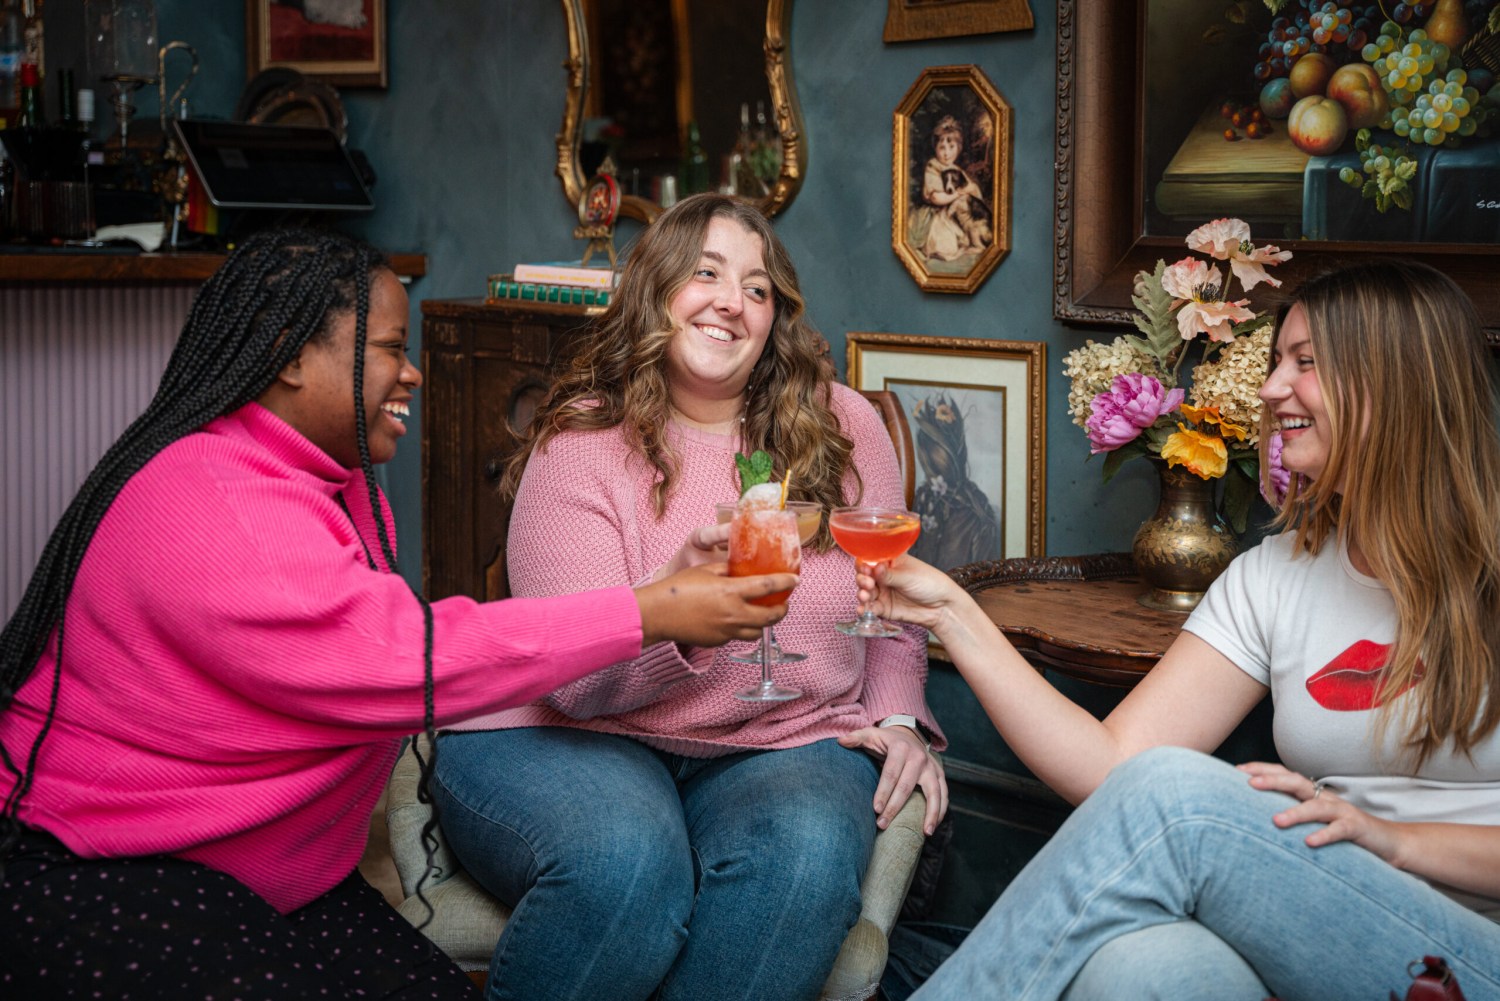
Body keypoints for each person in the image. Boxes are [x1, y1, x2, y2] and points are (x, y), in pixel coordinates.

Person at [0, 228, 796, 999]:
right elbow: (402, 656)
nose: (411, 372)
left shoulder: (327, 479)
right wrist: (647, 611)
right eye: (388, 348)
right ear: (289, 354)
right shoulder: (221, 504)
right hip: (112, 868)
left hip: (275, 881)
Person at [859, 260, 1500, 1000]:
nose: (1271, 389)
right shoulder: (1278, 574)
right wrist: (951, 612)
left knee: (1177, 793)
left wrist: (1393, 839)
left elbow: (1159, 790)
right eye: (1276, 362)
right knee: (1138, 967)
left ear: (1396, 386)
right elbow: (1112, 766)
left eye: (1306, 363)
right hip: (1326, 912)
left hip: (1475, 943)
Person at [433, 192, 949, 1001]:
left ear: (775, 316)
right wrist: (679, 612)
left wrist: (897, 717)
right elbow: (575, 681)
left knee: (806, 863)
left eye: (756, 287)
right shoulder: (581, 440)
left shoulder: (841, 425)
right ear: (656, 290)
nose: (731, 302)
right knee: (627, 863)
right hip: (566, 732)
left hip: (782, 735)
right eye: (705, 274)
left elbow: (887, 602)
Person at [917, 115, 989, 263]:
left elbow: (974, 190)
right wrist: (958, 194)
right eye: (942, 148)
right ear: (935, 148)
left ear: (959, 148)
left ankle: (973, 243)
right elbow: (936, 198)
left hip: (959, 215)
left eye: (951, 147)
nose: (946, 153)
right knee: (946, 244)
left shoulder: (957, 169)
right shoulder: (933, 166)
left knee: (971, 231)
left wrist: (971, 189)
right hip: (939, 214)